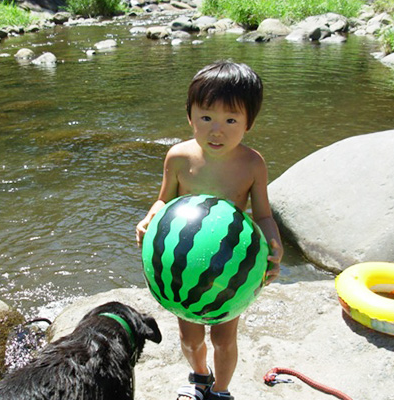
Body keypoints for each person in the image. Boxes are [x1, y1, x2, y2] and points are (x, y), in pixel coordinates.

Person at [135, 60, 283, 400]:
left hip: (229, 271)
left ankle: (221, 390)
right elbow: (163, 202)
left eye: (231, 120)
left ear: (249, 123)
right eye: (206, 118)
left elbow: (262, 215)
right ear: (190, 117)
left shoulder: (252, 164)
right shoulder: (178, 158)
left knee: (223, 338)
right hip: (184, 269)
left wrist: (273, 243)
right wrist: (149, 219)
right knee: (189, 336)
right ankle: (199, 377)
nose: (217, 130)